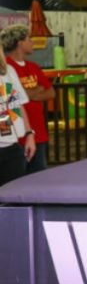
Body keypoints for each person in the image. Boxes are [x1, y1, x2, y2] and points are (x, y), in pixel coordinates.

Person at [1, 25, 53, 173]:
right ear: (19, 43)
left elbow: (14, 103)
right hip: (13, 140)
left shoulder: (7, 71)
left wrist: (29, 134)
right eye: (28, 39)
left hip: (15, 140)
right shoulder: (9, 68)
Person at [0, 43, 35, 186]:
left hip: (12, 147)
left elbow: (18, 104)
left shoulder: (9, 71)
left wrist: (29, 134)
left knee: (12, 193)